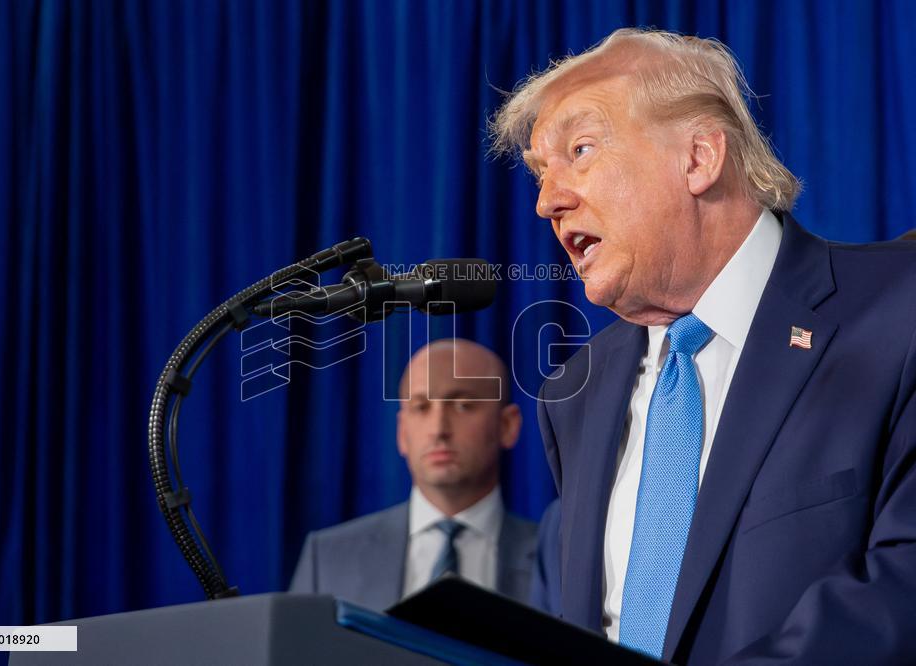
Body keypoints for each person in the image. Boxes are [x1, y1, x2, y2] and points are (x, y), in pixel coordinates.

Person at [491, 28, 916, 664]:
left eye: (580, 150)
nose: (548, 201)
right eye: (539, 173)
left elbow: (902, 588)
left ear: (699, 158)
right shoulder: (576, 390)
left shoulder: (897, 309)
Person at [289, 338, 537, 609]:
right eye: (421, 407)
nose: (438, 429)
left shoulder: (559, 559)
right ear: (402, 432)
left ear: (508, 426)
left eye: (463, 405)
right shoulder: (328, 559)